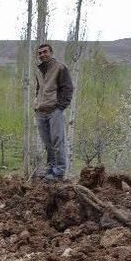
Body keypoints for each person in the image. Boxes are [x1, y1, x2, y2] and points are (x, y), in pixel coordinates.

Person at [34, 43, 74, 181]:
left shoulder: (60, 68)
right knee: (48, 143)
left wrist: (60, 107)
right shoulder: (38, 70)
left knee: (58, 142)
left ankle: (59, 172)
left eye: (45, 52)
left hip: (54, 111)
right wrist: (37, 103)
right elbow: (39, 89)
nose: (42, 54)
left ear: (51, 52)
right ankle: (50, 168)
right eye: (40, 53)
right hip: (40, 111)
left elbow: (68, 88)